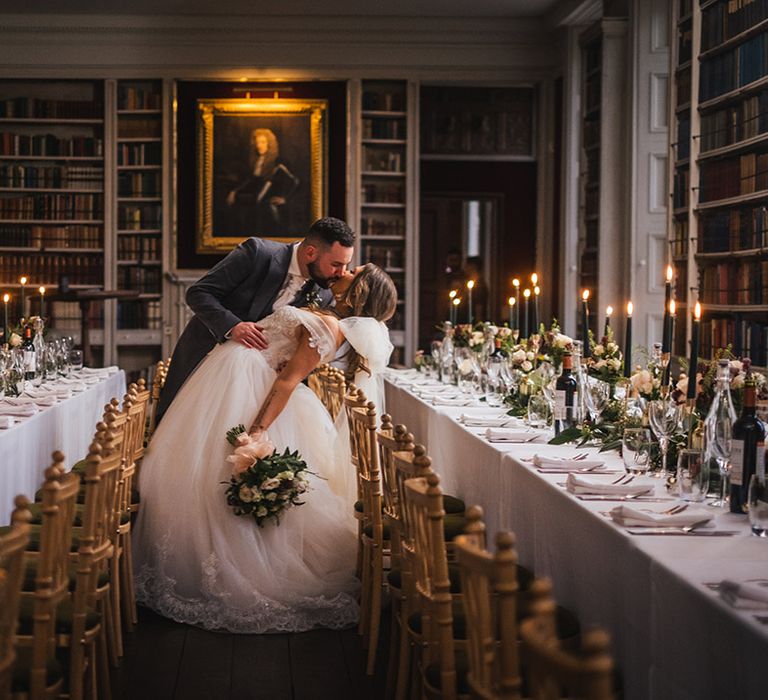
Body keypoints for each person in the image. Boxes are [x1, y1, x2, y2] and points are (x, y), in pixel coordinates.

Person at [133, 263, 397, 633]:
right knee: (189, 466)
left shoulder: (330, 327)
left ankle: (241, 568)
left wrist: (256, 432)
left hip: (248, 387)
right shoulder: (329, 313)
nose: (347, 269)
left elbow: (288, 381)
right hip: (233, 377)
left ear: (362, 289)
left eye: (356, 269)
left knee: (213, 470)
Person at [156, 217, 355, 423]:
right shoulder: (257, 253)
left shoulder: (324, 292)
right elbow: (198, 293)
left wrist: (288, 361)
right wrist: (233, 326)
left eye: (345, 265)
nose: (341, 273)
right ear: (311, 252)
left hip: (256, 389)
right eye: (336, 264)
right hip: (205, 365)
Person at [225, 128, 299, 236]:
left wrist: (285, 198)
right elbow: (251, 180)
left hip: (270, 207)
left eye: (263, 142)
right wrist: (234, 192)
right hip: (256, 204)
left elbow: (295, 181)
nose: (259, 145)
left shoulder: (278, 161)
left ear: (270, 144)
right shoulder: (257, 161)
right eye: (257, 142)